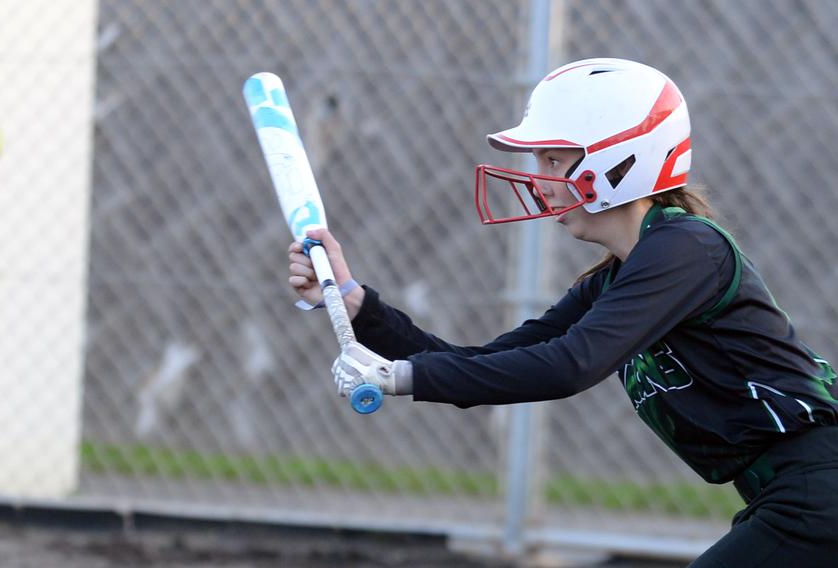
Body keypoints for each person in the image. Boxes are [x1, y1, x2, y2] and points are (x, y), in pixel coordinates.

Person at [286, 58, 838, 566]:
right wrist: (357, 302)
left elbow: (569, 365)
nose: (539, 177)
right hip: (795, 496)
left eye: (554, 158)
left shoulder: (687, 249)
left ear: (624, 160)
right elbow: (477, 366)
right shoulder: (618, 276)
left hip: (818, 490)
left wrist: (396, 378)